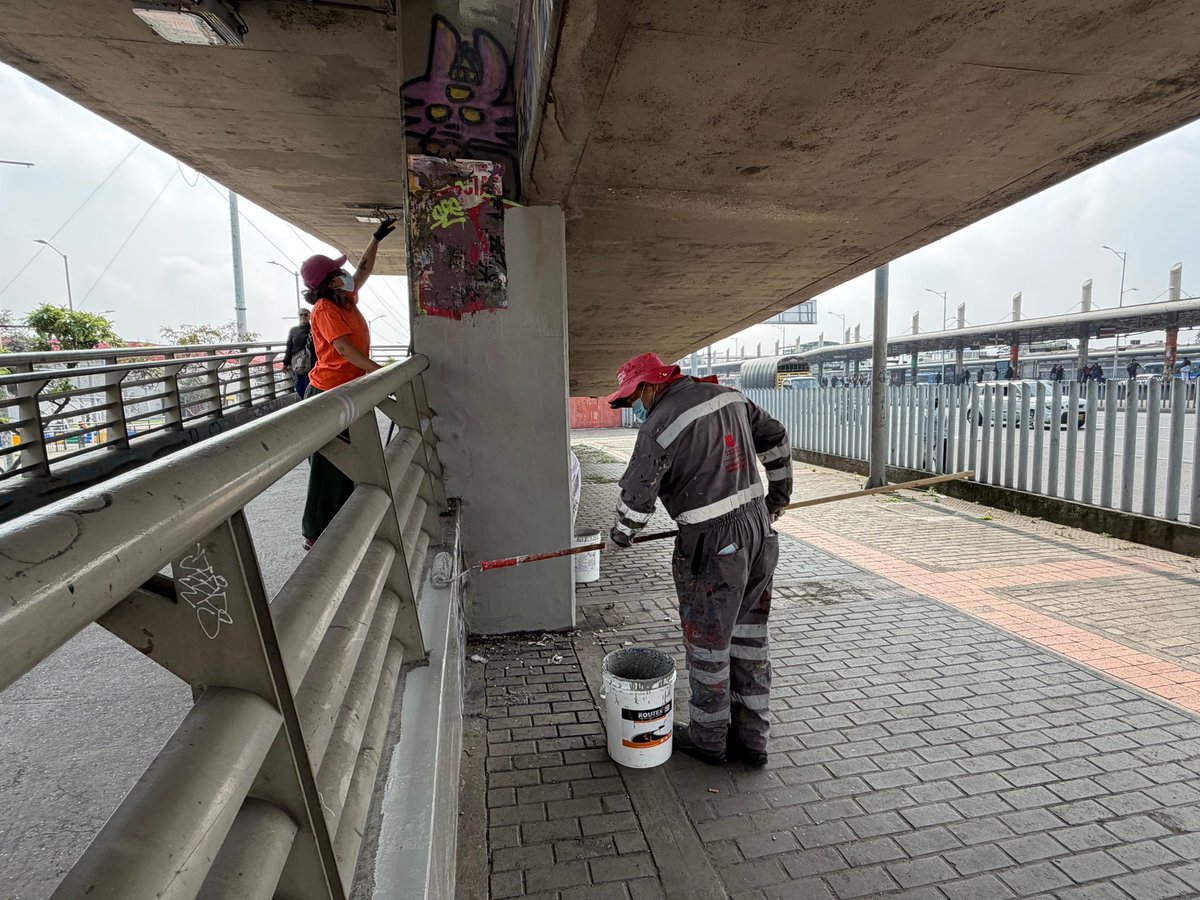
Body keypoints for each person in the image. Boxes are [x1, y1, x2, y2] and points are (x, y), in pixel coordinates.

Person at [603, 352, 791, 768]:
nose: (635, 407)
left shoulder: (659, 424)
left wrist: (621, 535)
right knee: (749, 639)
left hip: (713, 546)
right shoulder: (729, 396)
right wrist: (778, 498)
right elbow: (775, 437)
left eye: (633, 397)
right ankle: (753, 739)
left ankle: (709, 741)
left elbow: (637, 498)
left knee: (708, 647)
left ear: (651, 385)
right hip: (760, 535)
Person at [300, 217, 397, 550]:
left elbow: (363, 271)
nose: (345, 275)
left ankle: (344, 519)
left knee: (352, 457)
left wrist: (376, 239)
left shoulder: (345, 299)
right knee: (329, 464)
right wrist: (379, 371)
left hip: (349, 390)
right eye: (337, 273)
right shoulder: (325, 309)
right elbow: (343, 348)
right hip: (329, 393)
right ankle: (315, 532)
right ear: (328, 283)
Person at [282, 308, 313, 398]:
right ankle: (304, 401)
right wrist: (285, 363)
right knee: (299, 386)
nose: (303, 316)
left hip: (311, 361)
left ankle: (308, 402)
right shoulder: (293, 330)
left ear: (310, 316)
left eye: (306, 314)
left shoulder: (314, 329)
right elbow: (289, 346)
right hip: (297, 362)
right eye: (301, 314)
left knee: (309, 384)